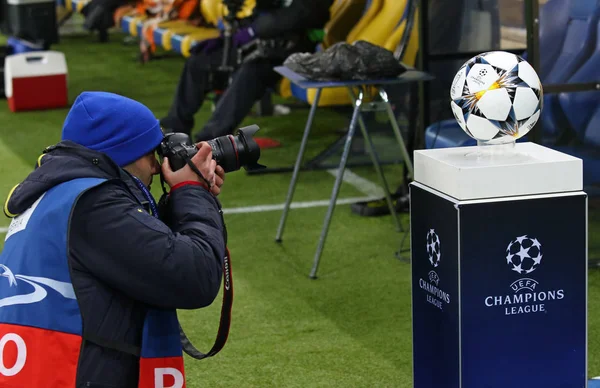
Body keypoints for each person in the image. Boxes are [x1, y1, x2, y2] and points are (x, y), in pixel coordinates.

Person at [0, 91, 226, 387]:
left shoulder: (59, 194)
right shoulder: (94, 206)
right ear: (124, 153)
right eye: (151, 153)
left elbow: (136, 251)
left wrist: (179, 200)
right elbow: (196, 275)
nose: (158, 166)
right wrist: (192, 191)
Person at [160, 0, 334, 142]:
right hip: (261, 43)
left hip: (294, 54)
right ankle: (175, 131)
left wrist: (254, 30)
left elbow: (301, 15)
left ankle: (209, 141)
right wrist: (227, 37)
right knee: (198, 60)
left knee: (251, 70)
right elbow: (261, 14)